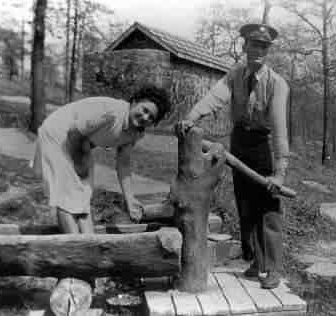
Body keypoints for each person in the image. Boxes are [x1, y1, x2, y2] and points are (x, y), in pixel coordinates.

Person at [176, 23, 289, 289]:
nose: (258, 50)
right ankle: (256, 263)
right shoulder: (235, 75)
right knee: (246, 205)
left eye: (264, 46)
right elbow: (214, 98)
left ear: (268, 50)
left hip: (262, 145)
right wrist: (191, 117)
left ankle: (272, 268)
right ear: (245, 46)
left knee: (267, 209)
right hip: (239, 141)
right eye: (254, 44)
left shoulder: (277, 84)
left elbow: (280, 130)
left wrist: (279, 171)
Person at [31, 85, 171, 234]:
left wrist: (129, 199)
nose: (145, 117)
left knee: (83, 198)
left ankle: (90, 244)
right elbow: (74, 133)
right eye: (145, 110)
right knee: (67, 199)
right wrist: (80, 164)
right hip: (58, 134)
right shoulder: (112, 112)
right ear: (135, 102)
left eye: (151, 118)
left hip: (81, 143)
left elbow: (123, 164)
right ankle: (78, 248)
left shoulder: (135, 133)